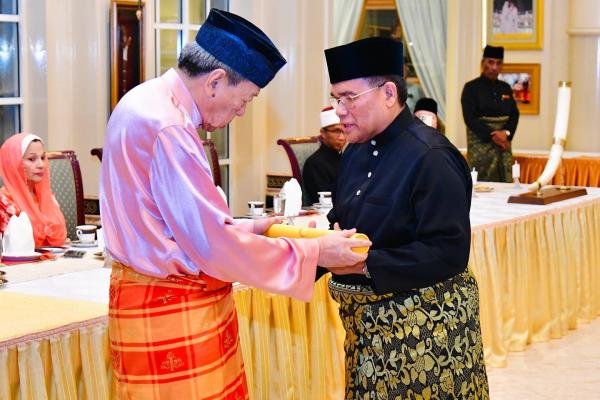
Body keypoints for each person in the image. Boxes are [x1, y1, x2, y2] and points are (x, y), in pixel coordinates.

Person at [100, 9, 370, 399]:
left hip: (143, 295)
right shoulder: (170, 126)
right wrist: (316, 252)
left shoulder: (143, 100)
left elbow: (169, 226)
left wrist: (251, 227)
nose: (241, 112)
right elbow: (212, 245)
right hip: (173, 304)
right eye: (244, 99)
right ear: (215, 81)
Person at [322, 37, 489, 399]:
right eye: (335, 99)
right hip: (365, 331)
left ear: (388, 93)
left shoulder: (431, 156)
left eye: (349, 98)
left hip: (429, 334)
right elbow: (341, 220)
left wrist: (366, 264)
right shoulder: (352, 153)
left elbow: (448, 251)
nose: (339, 111)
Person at [461, 44, 519, 182]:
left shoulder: (505, 88)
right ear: (483, 63)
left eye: (498, 63)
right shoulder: (471, 88)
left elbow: (514, 114)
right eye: (490, 62)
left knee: (505, 184)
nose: (494, 67)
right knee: (481, 185)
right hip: (481, 146)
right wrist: (493, 134)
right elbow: (469, 118)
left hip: (503, 145)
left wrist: (506, 134)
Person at [0, 133, 67, 247]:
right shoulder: (3, 202)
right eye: (32, 159)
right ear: (14, 163)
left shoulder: (47, 197)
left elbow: (60, 239)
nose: (41, 165)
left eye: (43, 158)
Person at [301, 106, 346, 206]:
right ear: (323, 133)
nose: (342, 137)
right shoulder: (315, 164)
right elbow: (326, 201)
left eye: (345, 130)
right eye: (336, 131)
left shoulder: (347, 158)